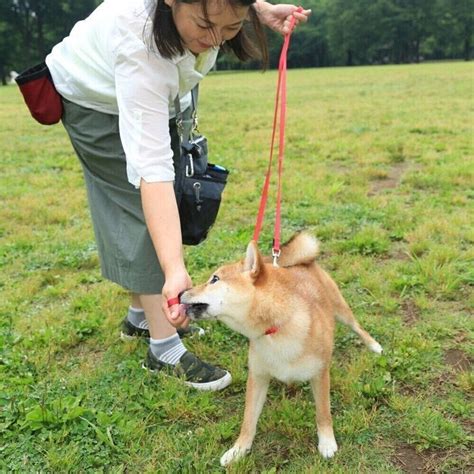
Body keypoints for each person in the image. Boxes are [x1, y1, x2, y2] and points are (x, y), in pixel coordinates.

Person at [45, 0, 310, 391]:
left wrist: (258, 11)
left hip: (160, 93)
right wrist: (174, 270)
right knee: (140, 206)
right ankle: (163, 348)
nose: (215, 40)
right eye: (205, 25)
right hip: (95, 102)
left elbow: (219, 11)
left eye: (231, 27)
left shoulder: (211, 18)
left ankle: (140, 316)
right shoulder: (138, 45)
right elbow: (151, 174)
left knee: (156, 199)